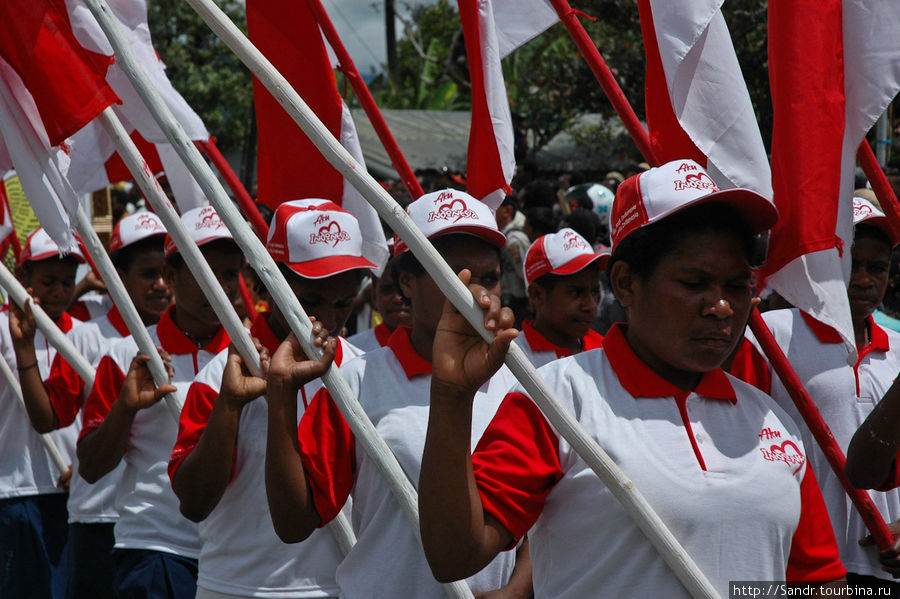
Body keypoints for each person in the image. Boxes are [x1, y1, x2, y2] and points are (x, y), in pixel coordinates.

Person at [418, 160, 846, 598]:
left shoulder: (771, 422)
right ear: (625, 284)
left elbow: (819, 582)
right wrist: (452, 395)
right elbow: (454, 555)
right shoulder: (557, 400)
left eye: (737, 286)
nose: (720, 306)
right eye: (695, 282)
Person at [265, 189, 533, 598]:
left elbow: (546, 512)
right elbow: (294, 522)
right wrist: (281, 396)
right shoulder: (357, 383)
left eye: (490, 277)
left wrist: (513, 592)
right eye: (455, 275)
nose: (478, 293)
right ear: (407, 282)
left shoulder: (525, 384)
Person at [168, 199, 375, 598]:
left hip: (339, 589)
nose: (328, 322)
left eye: (343, 303)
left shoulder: (367, 373)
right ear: (264, 283)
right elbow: (193, 503)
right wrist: (229, 406)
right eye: (310, 302)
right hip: (232, 588)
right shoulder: (219, 378)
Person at [734, 197, 900, 589]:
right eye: (849, 266)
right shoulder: (769, 336)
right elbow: (736, 446)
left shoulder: (898, 350)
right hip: (799, 569)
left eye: (876, 268)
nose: (862, 280)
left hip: (882, 570)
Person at [77, 206, 241, 599]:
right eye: (205, 274)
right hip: (156, 550)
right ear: (173, 277)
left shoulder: (254, 356)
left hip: (235, 554)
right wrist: (126, 408)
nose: (220, 287)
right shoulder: (127, 354)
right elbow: (91, 467)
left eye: (229, 274)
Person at [10, 213, 169, 598]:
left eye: (170, 272)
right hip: (98, 516)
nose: (162, 286)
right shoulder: (82, 336)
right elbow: (51, 417)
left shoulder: (207, 343)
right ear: (117, 275)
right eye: (148, 274)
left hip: (167, 528)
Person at [1, 228, 86, 599]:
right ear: (22, 279)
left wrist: (82, 469)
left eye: (68, 282)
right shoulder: (3, 330)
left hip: (69, 492)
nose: (59, 291)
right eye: (48, 280)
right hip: (12, 488)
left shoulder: (83, 334)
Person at [518, 228, 605, 367]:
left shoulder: (604, 350)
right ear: (537, 294)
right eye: (576, 293)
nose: (591, 306)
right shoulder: (512, 359)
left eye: (594, 292)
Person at [347, 253, 411, 352]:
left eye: (406, 288)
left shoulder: (440, 347)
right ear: (374, 297)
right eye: (388, 289)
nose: (398, 298)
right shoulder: (350, 351)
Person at [494, 194, 530, 325]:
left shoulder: (514, 239)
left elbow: (524, 275)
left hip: (518, 301)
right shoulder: (507, 233)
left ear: (507, 210)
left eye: (494, 206)